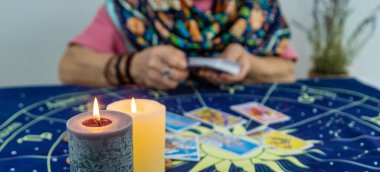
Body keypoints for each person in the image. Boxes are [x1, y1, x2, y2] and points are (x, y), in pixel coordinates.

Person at [59, 0, 297, 90]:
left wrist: (248, 63)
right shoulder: (135, 6)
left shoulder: (256, 6)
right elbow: (69, 66)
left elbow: (286, 70)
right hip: (155, 135)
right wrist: (132, 66)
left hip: (239, 129)